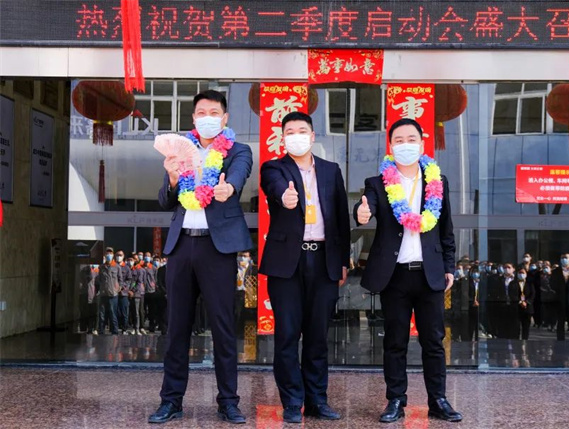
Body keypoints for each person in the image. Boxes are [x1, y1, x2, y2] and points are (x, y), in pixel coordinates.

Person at [148, 89, 253, 425]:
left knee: (223, 328)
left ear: (225, 118)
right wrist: (173, 177)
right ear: (193, 118)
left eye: (214, 112)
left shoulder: (237, 150)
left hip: (216, 248)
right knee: (177, 327)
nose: (208, 118)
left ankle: (229, 402)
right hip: (181, 246)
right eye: (202, 113)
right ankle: (171, 401)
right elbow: (165, 201)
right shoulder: (180, 151)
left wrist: (228, 187)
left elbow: (239, 173)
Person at [354, 118, 462, 423]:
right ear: (391, 146)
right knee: (395, 341)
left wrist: (449, 266)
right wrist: (361, 212)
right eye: (398, 140)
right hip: (395, 275)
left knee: (434, 341)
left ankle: (438, 400)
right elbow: (365, 208)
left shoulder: (437, 181)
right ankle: (395, 401)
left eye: (411, 139)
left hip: (430, 273)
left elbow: (446, 229)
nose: (405, 144)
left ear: (422, 143)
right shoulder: (377, 183)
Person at [260, 111, 350, 423]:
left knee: (317, 336)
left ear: (312, 136)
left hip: (324, 259)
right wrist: (285, 196)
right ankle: (291, 401)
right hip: (287, 262)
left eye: (302, 131)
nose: (296, 136)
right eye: (290, 132)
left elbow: (341, 218)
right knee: (287, 334)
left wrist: (342, 261)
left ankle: (317, 401)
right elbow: (274, 189)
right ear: (283, 138)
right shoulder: (274, 168)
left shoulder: (330, 170)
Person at [96, 247, 120, 335]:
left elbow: (120, 279)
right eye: (107, 253)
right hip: (103, 294)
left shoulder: (117, 267)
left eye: (110, 253)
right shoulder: (102, 267)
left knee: (113, 314)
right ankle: (101, 331)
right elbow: (99, 279)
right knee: (102, 314)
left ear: (113, 255)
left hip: (113, 294)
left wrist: (118, 288)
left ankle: (115, 331)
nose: (109, 255)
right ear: (105, 255)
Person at [515, 268, 536, 340]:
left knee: (526, 327)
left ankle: (525, 340)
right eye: (520, 273)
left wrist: (527, 302)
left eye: (523, 273)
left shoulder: (530, 284)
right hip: (517, 307)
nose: (521, 274)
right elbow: (513, 294)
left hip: (527, 308)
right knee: (516, 326)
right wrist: (520, 302)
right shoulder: (514, 283)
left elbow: (533, 294)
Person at [116, 250, 131, 334]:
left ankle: (124, 328)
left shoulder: (126, 267)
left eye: (120, 255)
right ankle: (116, 328)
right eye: (117, 255)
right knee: (115, 312)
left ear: (123, 256)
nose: (119, 256)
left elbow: (129, 280)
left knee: (124, 312)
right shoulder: (113, 266)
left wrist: (122, 286)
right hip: (114, 292)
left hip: (123, 293)